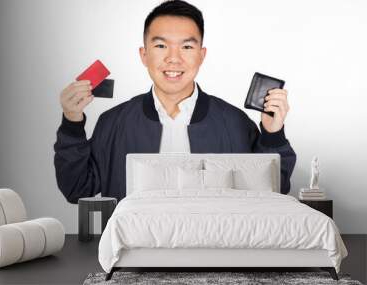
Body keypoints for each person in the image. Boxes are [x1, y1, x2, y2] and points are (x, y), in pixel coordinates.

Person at [54, 0, 296, 203]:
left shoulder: (235, 122)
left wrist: (272, 134)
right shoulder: (114, 122)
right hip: (133, 254)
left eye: (187, 47)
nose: (173, 58)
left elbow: (274, 190)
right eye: (161, 45)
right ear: (144, 54)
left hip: (217, 254)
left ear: (201, 55)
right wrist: (72, 125)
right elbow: (77, 189)